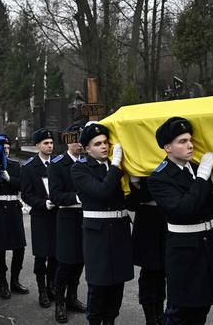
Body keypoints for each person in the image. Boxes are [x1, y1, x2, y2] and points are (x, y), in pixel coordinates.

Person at [148, 117, 213, 325]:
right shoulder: (159, 177)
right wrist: (203, 177)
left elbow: (210, 206)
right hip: (184, 249)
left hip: (207, 243)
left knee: (202, 307)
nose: (190, 145)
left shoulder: (194, 168)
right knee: (180, 311)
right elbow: (184, 209)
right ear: (167, 147)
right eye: (182, 141)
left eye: (190, 140)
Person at [71, 123, 133, 325]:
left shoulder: (121, 167)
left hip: (119, 231)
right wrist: (115, 166)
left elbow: (131, 200)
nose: (104, 147)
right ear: (87, 149)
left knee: (117, 284)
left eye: (106, 142)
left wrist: (137, 182)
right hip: (97, 234)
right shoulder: (80, 169)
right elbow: (102, 192)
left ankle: (111, 321)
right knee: (98, 286)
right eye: (98, 144)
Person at [0, 135, 29, 300]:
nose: (6, 150)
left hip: (13, 209)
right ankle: (3, 283)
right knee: (0, 248)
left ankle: (14, 280)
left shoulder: (16, 166)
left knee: (19, 247)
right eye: (3, 148)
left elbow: (24, 185)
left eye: (8, 147)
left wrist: (10, 179)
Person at [49, 123, 87, 323]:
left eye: (83, 139)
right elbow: (55, 195)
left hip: (85, 218)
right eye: (76, 139)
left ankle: (72, 297)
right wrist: (79, 197)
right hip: (67, 218)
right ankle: (60, 302)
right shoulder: (57, 163)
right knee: (65, 263)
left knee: (80, 260)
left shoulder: (87, 161)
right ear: (68, 140)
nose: (80, 143)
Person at [21, 128, 58, 308]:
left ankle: (52, 287)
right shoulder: (29, 167)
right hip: (41, 216)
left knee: (55, 255)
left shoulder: (57, 164)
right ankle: (42, 291)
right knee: (41, 255)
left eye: (51, 143)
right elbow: (26, 195)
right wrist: (42, 203)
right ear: (37, 146)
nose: (50, 146)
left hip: (57, 216)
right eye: (46, 143)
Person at [130, 174, 166, 325]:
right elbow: (132, 202)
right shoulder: (140, 165)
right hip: (147, 219)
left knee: (163, 271)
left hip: (167, 218)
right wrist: (135, 183)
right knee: (149, 273)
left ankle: (160, 313)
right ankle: (150, 318)